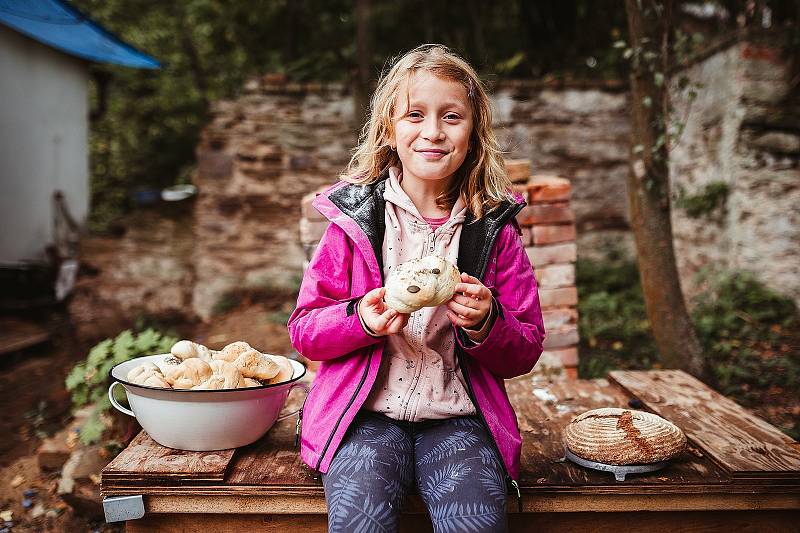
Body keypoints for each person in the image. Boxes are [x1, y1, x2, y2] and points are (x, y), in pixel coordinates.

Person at [288, 44, 545, 533]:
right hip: (364, 417)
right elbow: (304, 332)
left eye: (451, 116)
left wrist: (488, 323)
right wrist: (360, 319)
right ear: (390, 128)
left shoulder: (493, 231)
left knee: (475, 525)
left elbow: (526, 348)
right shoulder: (352, 225)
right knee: (360, 523)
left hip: (459, 417)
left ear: (474, 133)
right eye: (414, 115)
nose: (433, 131)